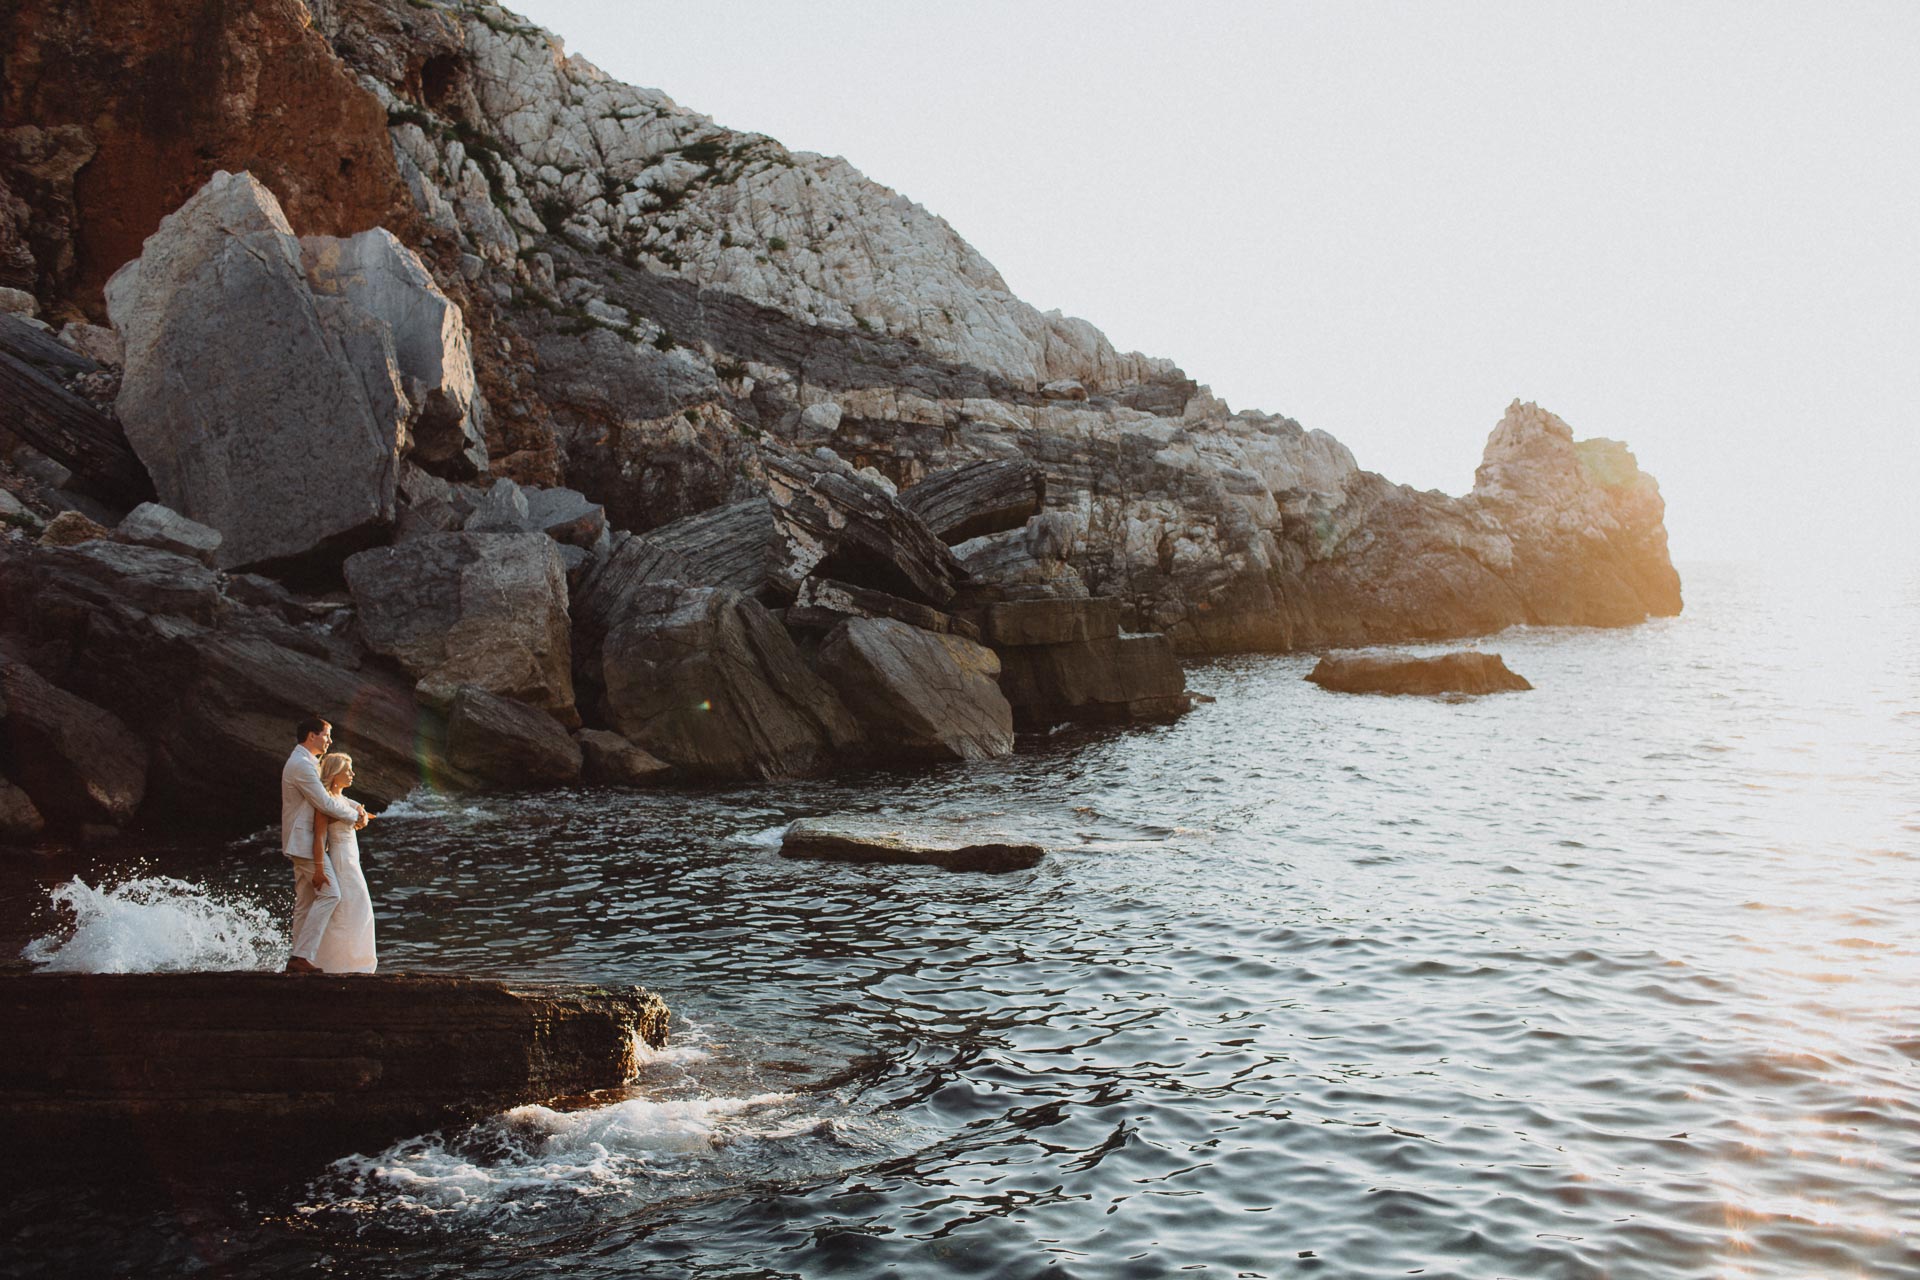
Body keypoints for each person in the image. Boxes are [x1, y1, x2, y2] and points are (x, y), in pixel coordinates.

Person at [281, 717, 368, 975]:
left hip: (300, 841)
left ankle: (298, 958)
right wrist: (355, 817)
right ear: (311, 736)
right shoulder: (302, 765)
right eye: (326, 735)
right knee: (331, 894)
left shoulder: (306, 763)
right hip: (304, 841)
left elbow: (333, 795)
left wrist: (356, 808)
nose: (330, 741)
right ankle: (301, 956)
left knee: (306, 902)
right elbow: (324, 803)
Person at [309, 752, 376, 973]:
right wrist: (319, 869)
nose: (352, 774)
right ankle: (338, 965)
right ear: (335, 774)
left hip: (352, 859)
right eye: (347, 771)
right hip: (340, 859)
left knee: (359, 909)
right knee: (346, 911)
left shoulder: (343, 800)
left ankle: (359, 964)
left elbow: (359, 810)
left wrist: (363, 814)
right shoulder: (326, 802)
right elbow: (319, 837)